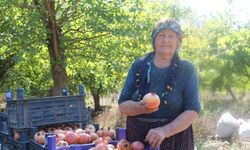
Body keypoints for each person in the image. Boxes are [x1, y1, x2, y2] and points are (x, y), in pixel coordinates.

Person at [118, 18, 201, 150]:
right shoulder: (139, 66)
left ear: (178, 41)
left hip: (175, 139)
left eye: (171, 36)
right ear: (154, 40)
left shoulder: (187, 69)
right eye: (161, 35)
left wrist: (164, 131)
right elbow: (122, 105)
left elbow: (193, 110)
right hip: (138, 140)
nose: (166, 40)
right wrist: (140, 107)